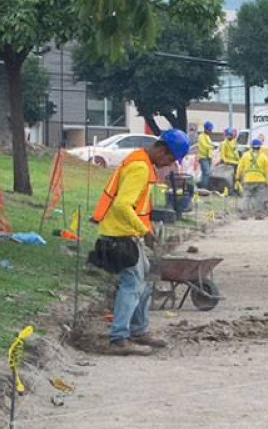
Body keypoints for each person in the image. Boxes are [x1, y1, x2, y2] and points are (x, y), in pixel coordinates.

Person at [91, 129, 189, 356]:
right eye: (170, 159)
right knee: (132, 283)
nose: (168, 165)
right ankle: (119, 338)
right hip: (120, 234)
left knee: (143, 278)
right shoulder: (140, 168)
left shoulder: (140, 161)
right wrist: (144, 229)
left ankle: (139, 330)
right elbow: (122, 205)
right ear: (162, 150)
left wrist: (143, 229)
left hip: (124, 232)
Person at [236, 138, 268, 220]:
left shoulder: (245, 155)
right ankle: (259, 215)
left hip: (248, 179)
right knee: (259, 198)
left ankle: (244, 214)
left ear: (251, 147)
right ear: (260, 147)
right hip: (260, 179)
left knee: (246, 197)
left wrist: (237, 177)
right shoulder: (264, 157)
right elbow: (266, 171)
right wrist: (266, 180)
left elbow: (240, 167)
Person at [197, 121, 214, 189]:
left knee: (205, 173)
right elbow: (204, 145)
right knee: (206, 172)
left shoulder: (208, 137)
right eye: (210, 130)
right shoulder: (201, 136)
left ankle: (202, 185)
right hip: (203, 157)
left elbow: (209, 145)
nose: (211, 131)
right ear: (206, 129)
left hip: (208, 157)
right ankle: (204, 187)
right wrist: (212, 146)